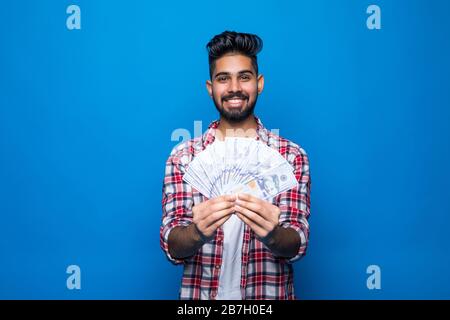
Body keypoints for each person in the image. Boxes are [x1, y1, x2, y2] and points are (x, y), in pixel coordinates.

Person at [160, 31, 311, 300]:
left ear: (259, 83)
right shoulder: (184, 157)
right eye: (223, 78)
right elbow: (172, 243)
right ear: (210, 88)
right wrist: (196, 233)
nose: (234, 88)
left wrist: (273, 235)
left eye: (244, 77)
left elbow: (297, 242)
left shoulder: (291, 156)